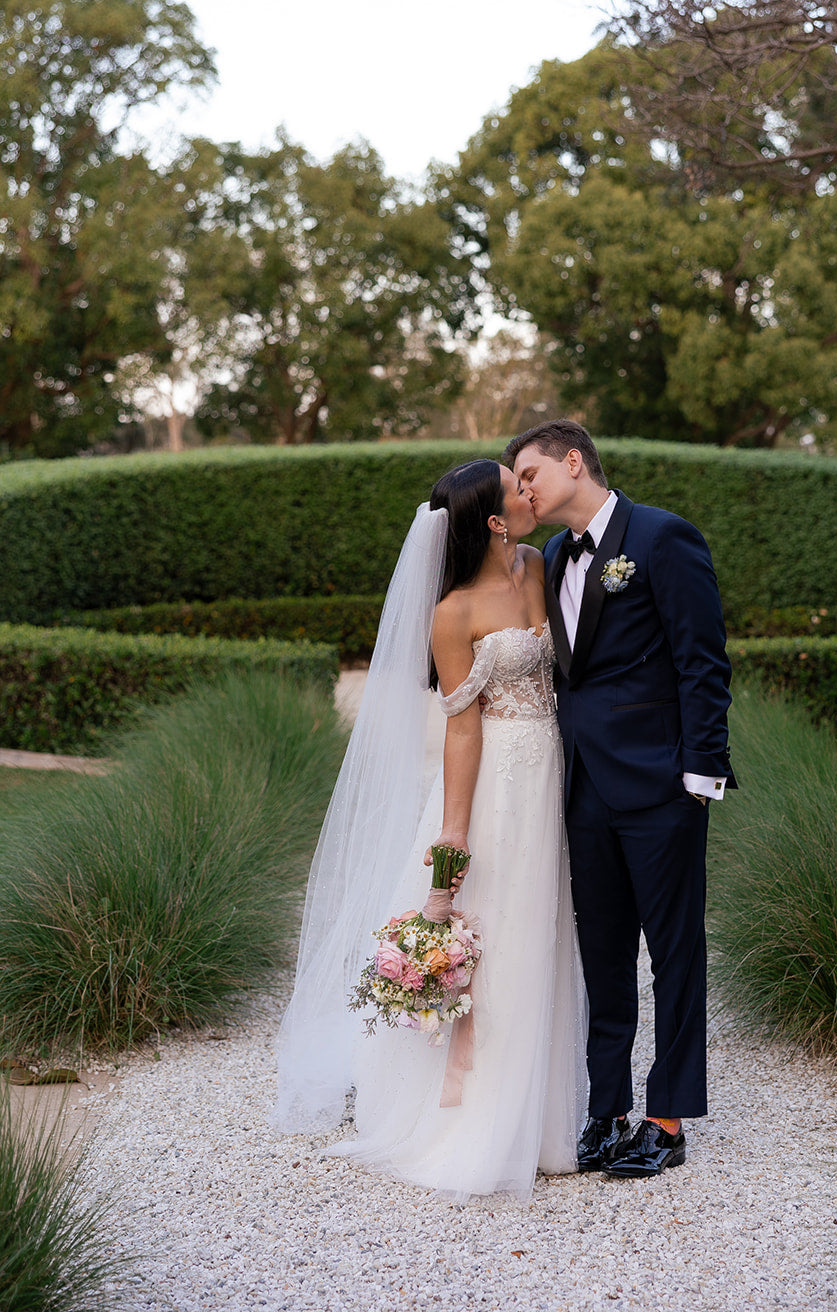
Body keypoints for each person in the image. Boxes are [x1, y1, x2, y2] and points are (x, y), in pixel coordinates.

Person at [272, 458, 586, 1204]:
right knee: (498, 933)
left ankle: (544, 1120)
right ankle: (476, 1123)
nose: (528, 489)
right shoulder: (451, 612)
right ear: (492, 519)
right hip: (496, 785)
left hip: (554, 775)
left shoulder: (539, 565)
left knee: (543, 931)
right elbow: (461, 730)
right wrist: (454, 830)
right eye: (517, 485)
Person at [505, 420, 734, 1179]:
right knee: (602, 956)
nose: (525, 488)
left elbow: (701, 662)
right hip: (582, 790)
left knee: (673, 954)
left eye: (532, 473)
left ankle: (664, 1119)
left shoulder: (663, 538)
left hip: (661, 786)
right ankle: (604, 1110)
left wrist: (699, 776)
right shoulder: (550, 556)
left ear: (575, 461)